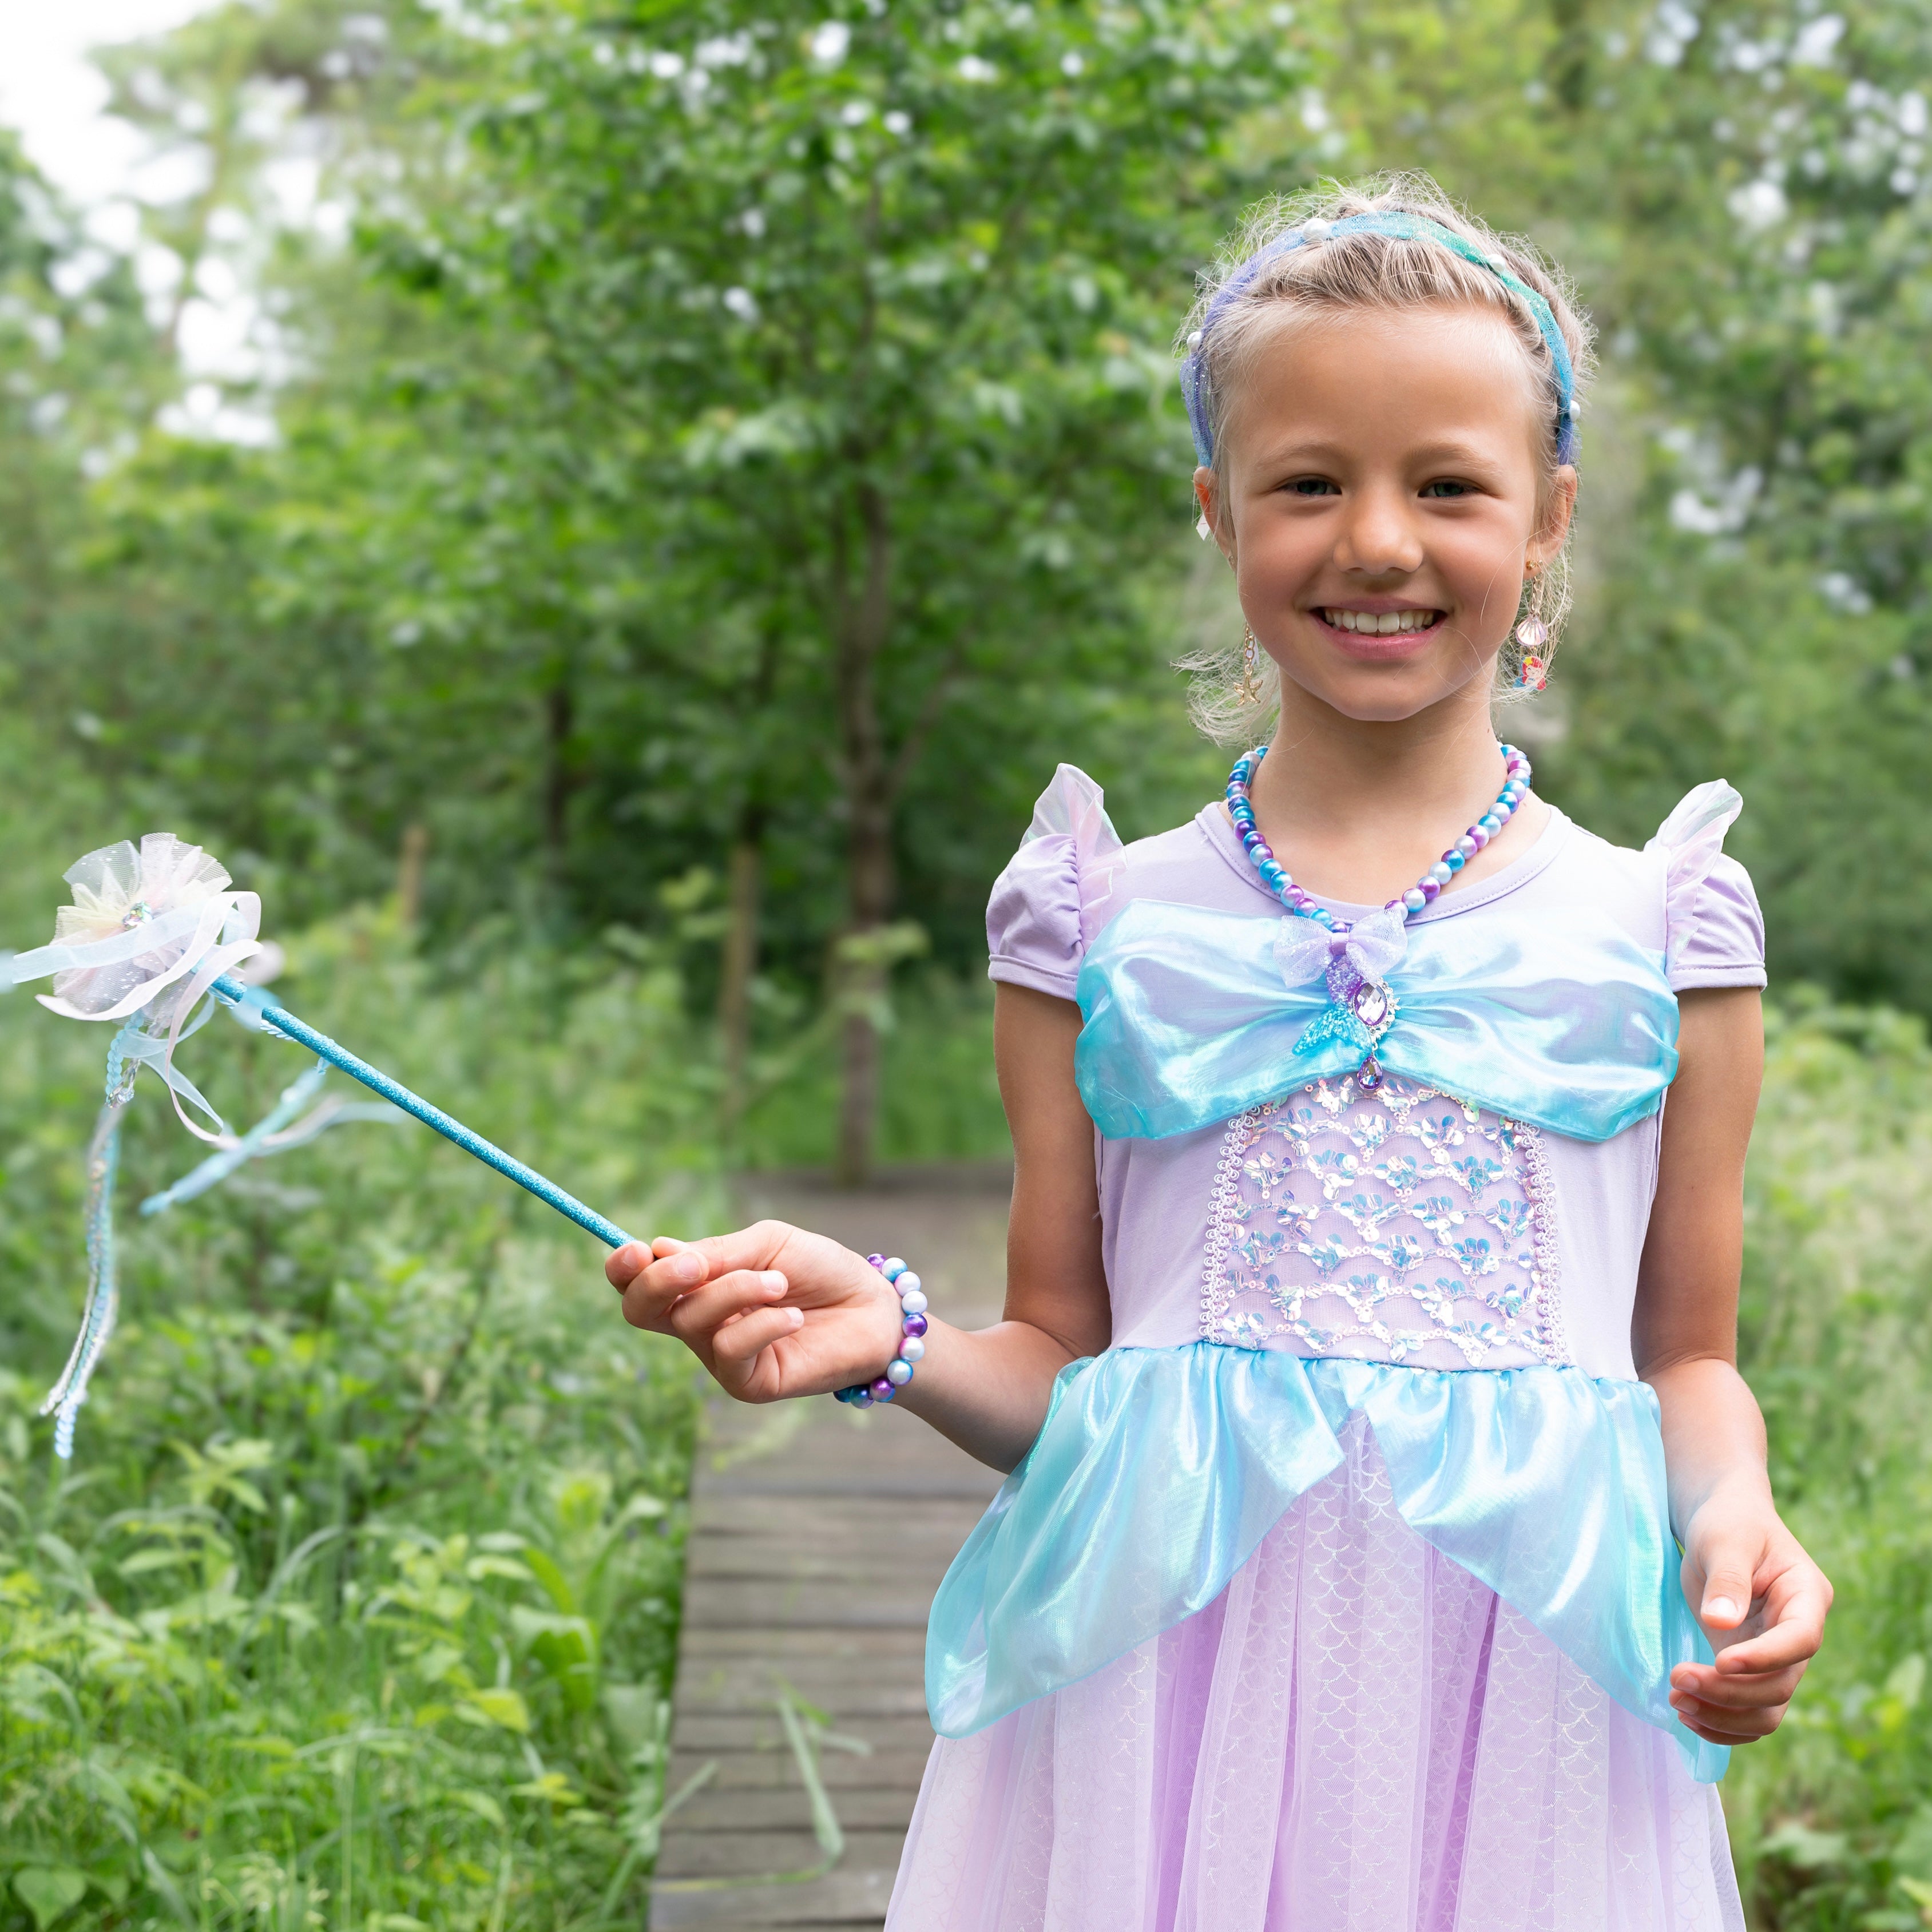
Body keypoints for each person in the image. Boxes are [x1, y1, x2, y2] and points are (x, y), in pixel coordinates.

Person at [605, 173, 1831, 1928]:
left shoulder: (1664, 927)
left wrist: (1735, 1513)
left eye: (1450, 484)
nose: (1379, 540)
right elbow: (1065, 1360)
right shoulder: (1098, 919)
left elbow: (1685, 1360)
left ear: (1547, 515)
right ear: (1217, 506)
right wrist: (898, 1339)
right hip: (1151, 1718)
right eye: (1308, 481)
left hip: (1527, 1720)